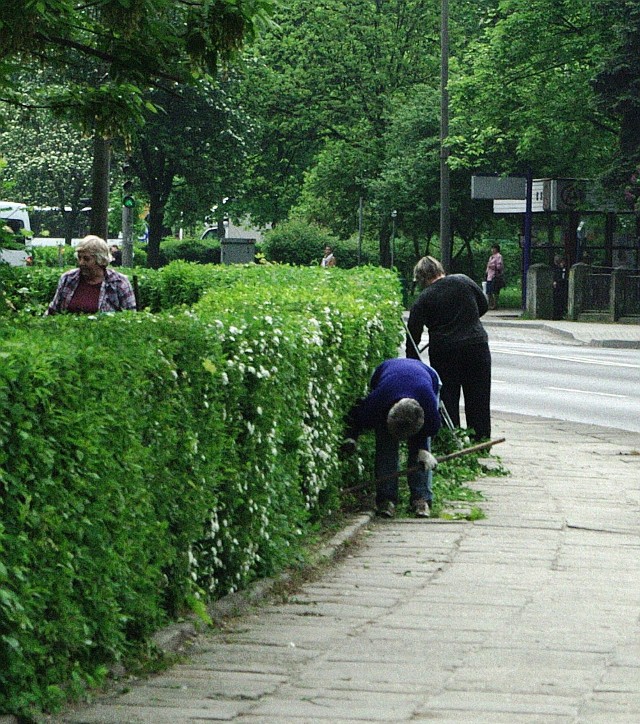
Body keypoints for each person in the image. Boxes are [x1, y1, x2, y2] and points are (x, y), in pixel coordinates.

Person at [342, 357, 441, 518]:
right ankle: (386, 499)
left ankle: (421, 498)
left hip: (427, 377)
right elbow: (357, 416)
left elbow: (432, 428)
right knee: (385, 447)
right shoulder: (378, 401)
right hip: (386, 375)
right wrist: (351, 437)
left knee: (421, 458)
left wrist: (422, 449)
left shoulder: (428, 404)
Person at [406, 255, 491, 442]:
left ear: (421, 278)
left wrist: (412, 364)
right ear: (440, 270)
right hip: (477, 346)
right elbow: (483, 305)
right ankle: (481, 441)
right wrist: (469, 319)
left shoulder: (423, 299)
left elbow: (413, 337)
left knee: (448, 399)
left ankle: (451, 441)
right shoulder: (463, 281)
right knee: (479, 397)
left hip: (445, 352)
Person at [46, 235, 137, 315]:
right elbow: (53, 310)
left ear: (100, 260)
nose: (81, 262)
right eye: (79, 257)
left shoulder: (119, 282)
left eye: (86, 259)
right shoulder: (68, 278)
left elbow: (130, 317)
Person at [485, 243, 504, 310]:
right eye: (492, 248)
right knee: (488, 291)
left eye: (494, 248)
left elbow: (499, 266)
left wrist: (492, 267)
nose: (492, 250)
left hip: (495, 276)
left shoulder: (499, 256)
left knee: (495, 291)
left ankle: (495, 304)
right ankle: (491, 304)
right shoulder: (491, 257)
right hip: (489, 276)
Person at [552, 254, 568, 320]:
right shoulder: (558, 269)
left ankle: (559, 314)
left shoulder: (563, 269)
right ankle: (557, 315)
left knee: (560, 301)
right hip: (559, 288)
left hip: (561, 287)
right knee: (558, 301)